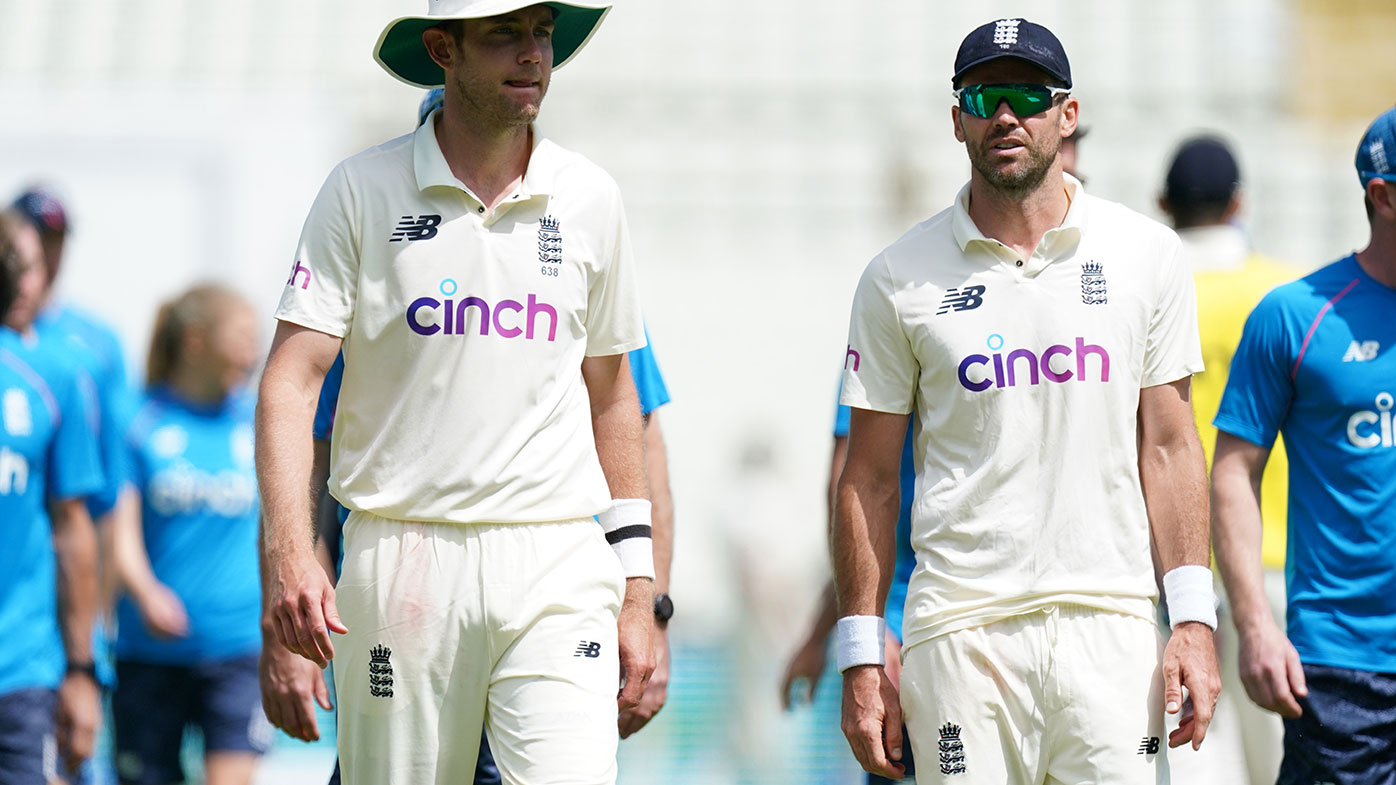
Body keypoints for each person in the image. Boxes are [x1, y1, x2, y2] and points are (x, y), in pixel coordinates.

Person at [255, 1, 656, 782]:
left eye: (542, 31)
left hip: (556, 556)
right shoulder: (360, 189)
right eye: (504, 32)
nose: (533, 53)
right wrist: (291, 553)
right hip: (402, 553)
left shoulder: (590, 197)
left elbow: (614, 399)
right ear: (443, 47)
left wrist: (637, 586)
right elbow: (289, 382)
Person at [832, 18, 1220, 784]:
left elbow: (1171, 447)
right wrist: (859, 651)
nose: (1005, 115)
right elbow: (866, 476)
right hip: (960, 633)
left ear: (1066, 115)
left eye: (1026, 96)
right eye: (984, 96)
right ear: (958, 120)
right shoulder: (896, 277)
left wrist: (1195, 620)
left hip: (1112, 628)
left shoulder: (1147, 255)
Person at [1211, 105, 1396, 785]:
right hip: (1344, 669)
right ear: (1383, 195)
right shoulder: (1296, 314)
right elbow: (1232, 472)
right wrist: (1256, 624)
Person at [1157, 135, 1296, 785]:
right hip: (1275, 558)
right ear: (1240, 203)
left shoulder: (1149, 290)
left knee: (1192, 760)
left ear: (1163, 204)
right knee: (1284, 758)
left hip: (1171, 569)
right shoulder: (1285, 293)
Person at [108, 285, 270, 785]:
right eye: (242, 338)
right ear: (196, 342)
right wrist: (145, 592)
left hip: (238, 648)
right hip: (150, 652)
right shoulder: (136, 420)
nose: (253, 352)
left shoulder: (256, 421)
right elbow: (117, 530)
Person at [12, 185, 134, 785]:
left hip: (55, 601)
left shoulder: (90, 345)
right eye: (37, 241)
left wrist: (89, 638)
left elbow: (101, 501)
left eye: (57, 240)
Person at [0, 211, 104, 784]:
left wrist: (82, 671)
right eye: (25, 266)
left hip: (22, 673)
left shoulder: (53, 376)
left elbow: (75, 529)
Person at [782, 401, 915, 784]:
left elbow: (848, 494)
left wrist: (859, 632)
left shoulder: (877, 345)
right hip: (901, 626)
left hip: (906, 625)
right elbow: (854, 500)